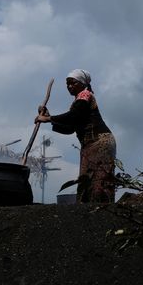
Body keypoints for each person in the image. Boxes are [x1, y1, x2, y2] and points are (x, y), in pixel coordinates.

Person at [35, 69, 116, 203]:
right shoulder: (77, 102)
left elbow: (73, 116)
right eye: (67, 84)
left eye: (73, 83)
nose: (69, 86)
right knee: (86, 180)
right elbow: (70, 129)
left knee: (100, 180)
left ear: (82, 83)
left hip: (100, 142)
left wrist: (48, 119)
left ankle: (104, 212)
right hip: (89, 145)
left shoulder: (85, 96)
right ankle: (90, 213)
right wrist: (49, 118)